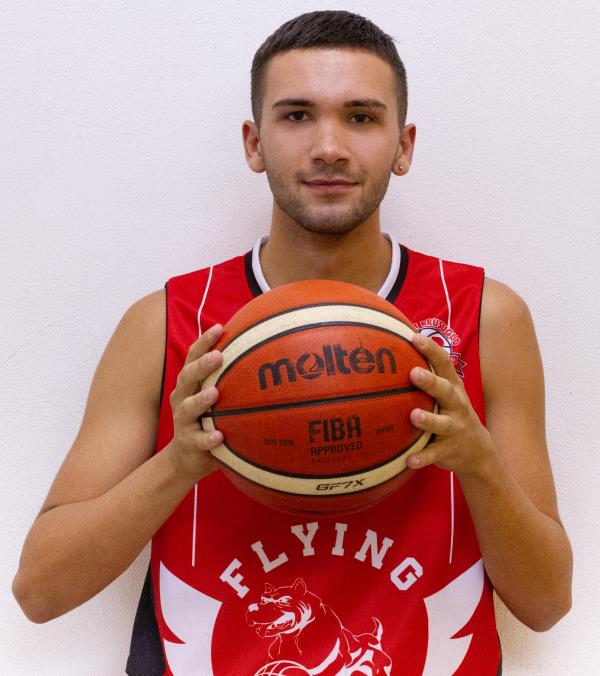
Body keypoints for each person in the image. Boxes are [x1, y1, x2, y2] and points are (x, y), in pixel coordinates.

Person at [13, 10, 572, 675]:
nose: (329, 146)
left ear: (404, 146)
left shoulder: (484, 316)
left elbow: (546, 603)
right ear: (254, 144)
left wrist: (478, 462)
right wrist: (179, 462)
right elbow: (41, 591)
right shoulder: (168, 323)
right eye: (297, 115)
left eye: (361, 117)